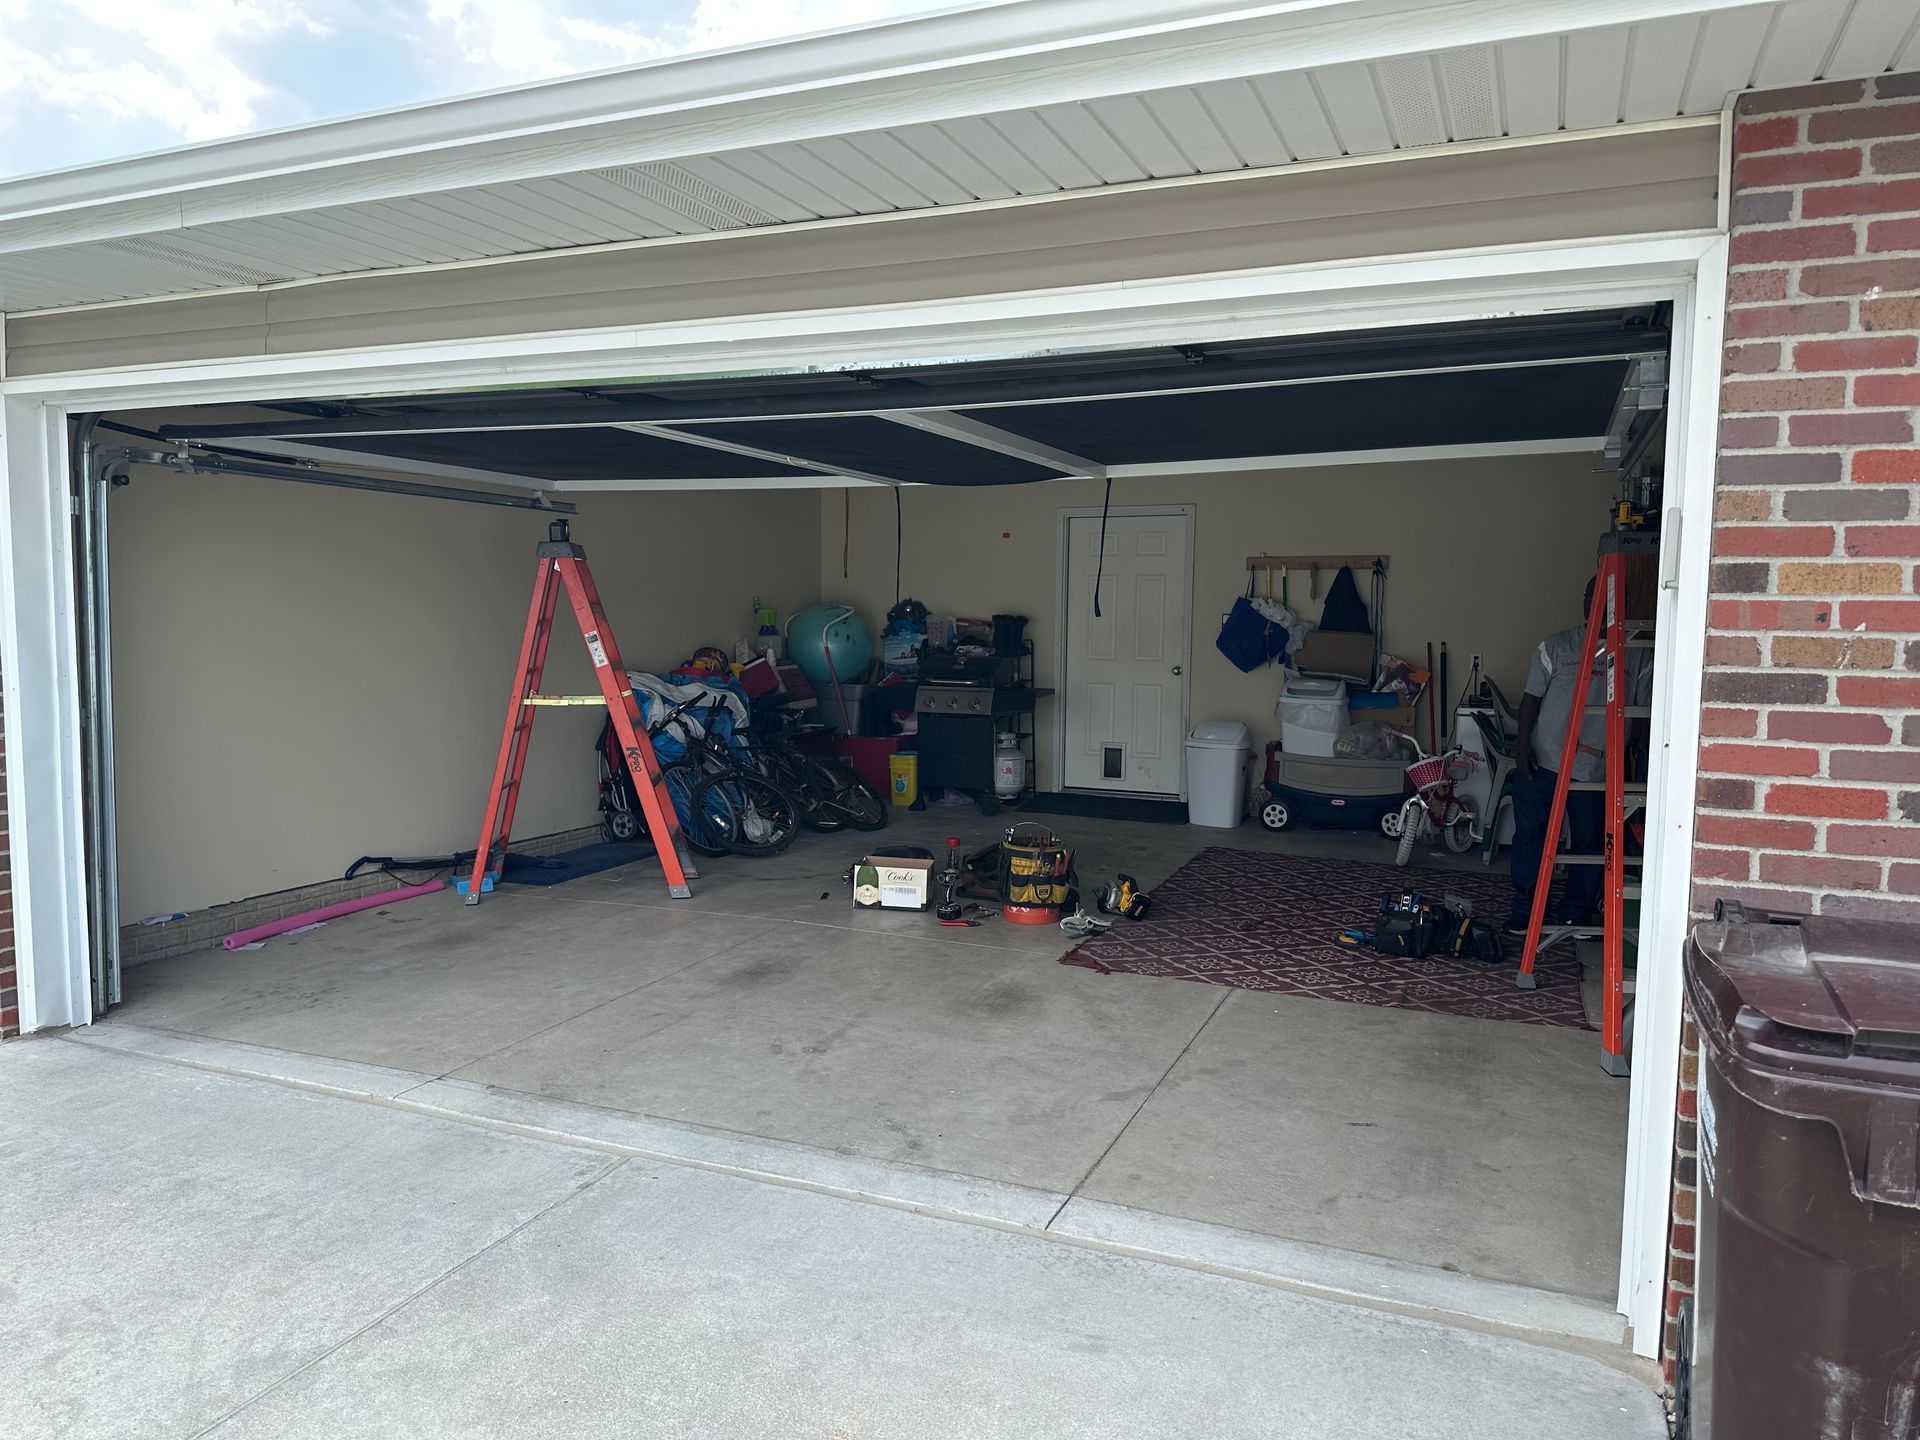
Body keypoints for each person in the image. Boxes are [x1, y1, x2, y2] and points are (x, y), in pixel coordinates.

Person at [1508, 579, 1652, 934]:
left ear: (1621, 606)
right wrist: (1522, 747)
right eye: (1593, 598)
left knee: (1589, 843)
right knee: (1530, 837)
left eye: (1608, 600)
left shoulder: (1637, 655)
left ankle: (1577, 912)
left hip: (1596, 769)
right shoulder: (1556, 646)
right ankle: (1526, 910)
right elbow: (1530, 700)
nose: (1598, 606)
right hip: (1544, 761)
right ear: (1584, 602)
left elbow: (1644, 714)